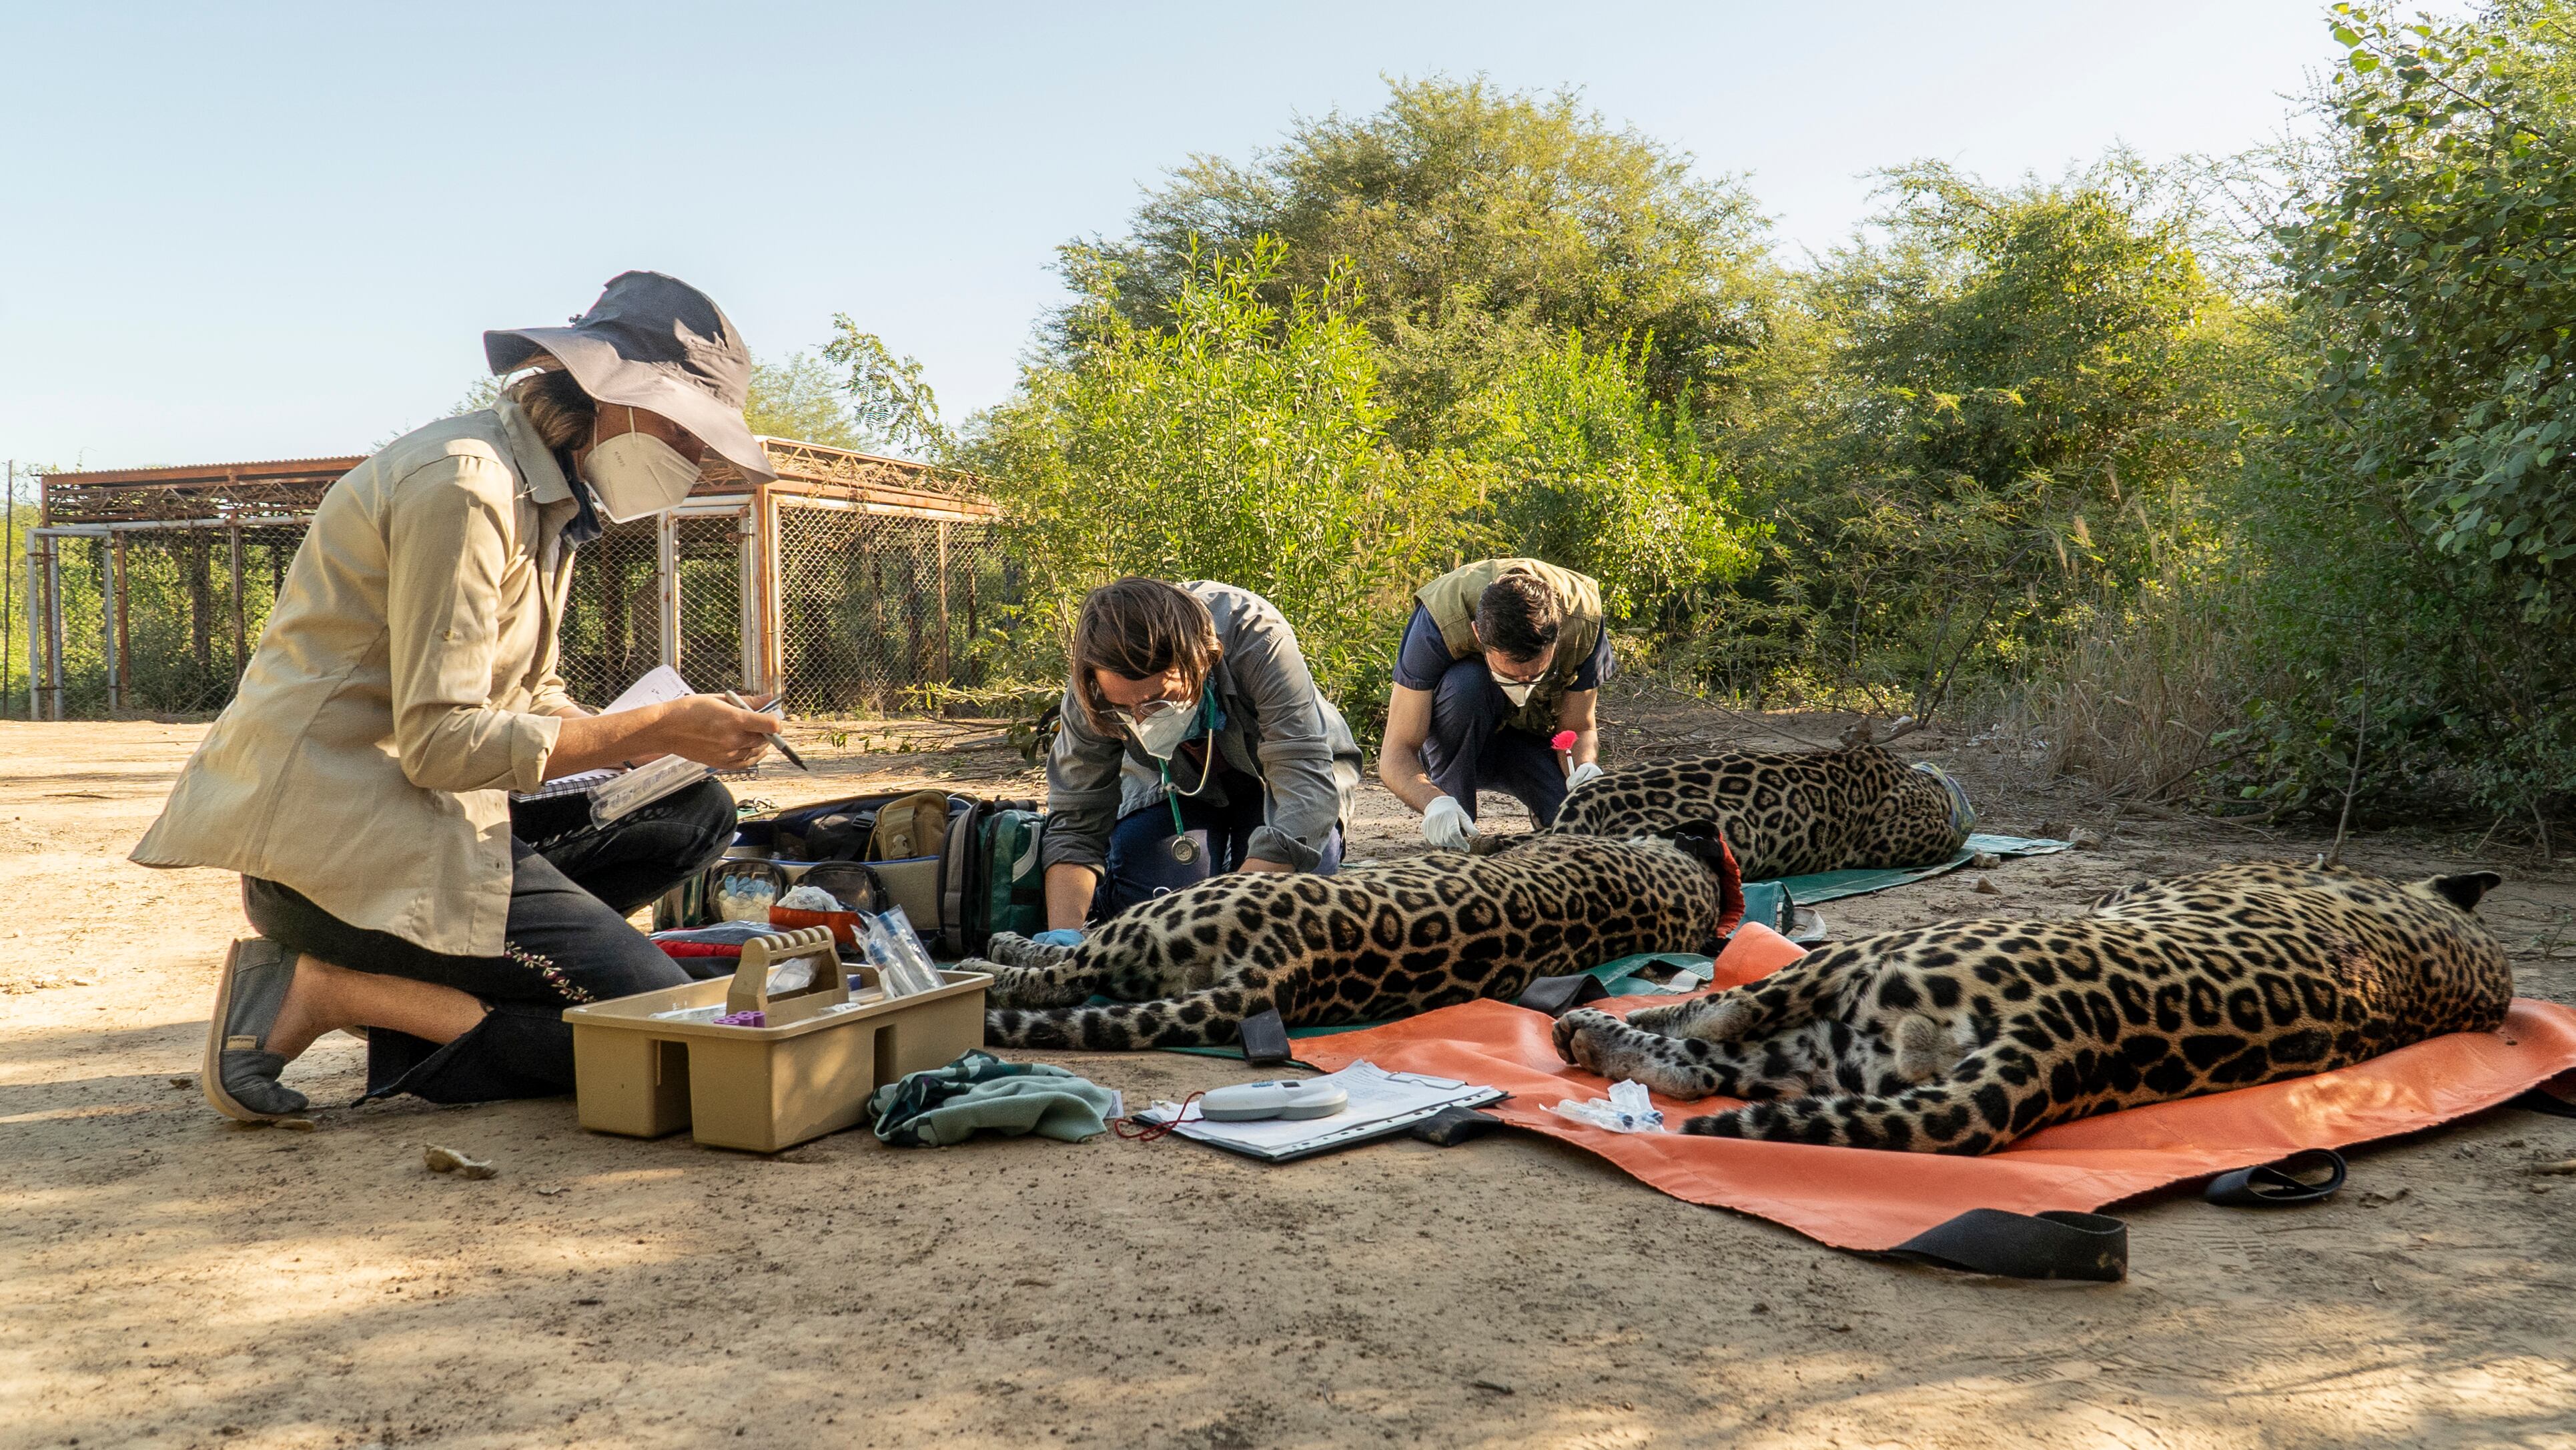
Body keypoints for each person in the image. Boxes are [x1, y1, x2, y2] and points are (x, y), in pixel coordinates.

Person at [133, 271, 787, 1121]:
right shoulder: (468, 486)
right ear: (603, 394)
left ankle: (467, 970)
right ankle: (331, 988)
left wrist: (650, 744)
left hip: (433, 819)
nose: (693, 458)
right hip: (344, 860)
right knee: (673, 1044)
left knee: (690, 807)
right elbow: (443, 743)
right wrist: (652, 724)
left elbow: (528, 692)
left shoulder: (548, 492)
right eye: (681, 427)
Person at [1036, 578, 1362, 937]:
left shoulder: (1259, 638)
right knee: (1155, 909)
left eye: (1157, 701)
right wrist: (1062, 937)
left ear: (1202, 660)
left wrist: (1223, 913)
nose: (1141, 721)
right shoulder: (1093, 686)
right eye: (1123, 709)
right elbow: (1077, 822)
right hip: (1171, 788)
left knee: (1286, 908)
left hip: (1279, 782)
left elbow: (1306, 789)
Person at [1378, 557, 1611, 849]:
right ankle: (1458, 824)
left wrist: (1584, 770)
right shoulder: (1438, 620)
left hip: (1534, 742)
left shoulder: (1584, 619)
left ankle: (1548, 806)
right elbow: (1396, 751)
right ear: (1477, 634)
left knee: (1575, 828)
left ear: (1557, 636)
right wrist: (1434, 802)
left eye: (1536, 674)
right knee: (1467, 685)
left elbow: (1579, 727)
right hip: (1460, 733)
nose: (1524, 685)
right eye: (1510, 675)